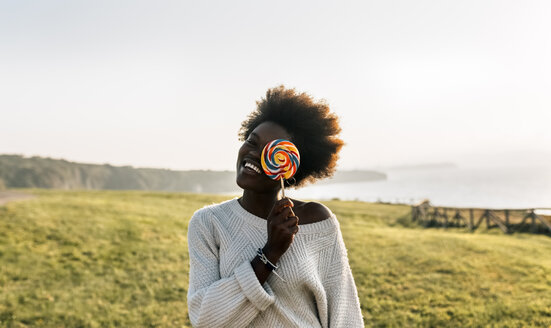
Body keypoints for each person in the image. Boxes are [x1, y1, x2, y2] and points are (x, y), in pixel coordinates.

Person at [187, 86, 364, 327]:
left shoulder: (318, 220)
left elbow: (344, 314)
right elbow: (204, 319)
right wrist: (270, 253)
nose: (254, 154)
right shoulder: (208, 223)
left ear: (291, 168)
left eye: (272, 150)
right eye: (252, 141)